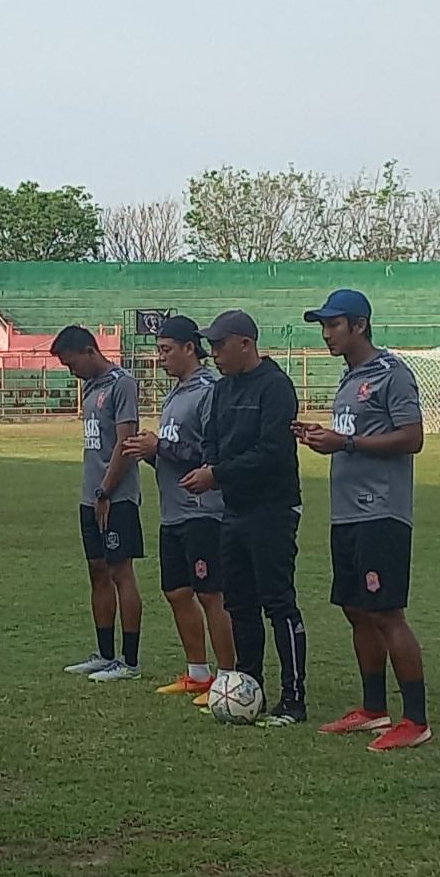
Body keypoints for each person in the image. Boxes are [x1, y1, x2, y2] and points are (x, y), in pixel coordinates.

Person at [296, 290, 431, 751]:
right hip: (347, 512)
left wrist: (346, 445)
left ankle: (416, 719)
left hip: (382, 511)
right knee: (356, 610)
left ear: (359, 325)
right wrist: (322, 436)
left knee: (387, 612)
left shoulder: (392, 373)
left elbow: (412, 438)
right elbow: (351, 436)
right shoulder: (349, 378)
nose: (326, 334)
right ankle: (374, 709)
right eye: (323, 326)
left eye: (333, 325)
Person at [188, 310, 306, 725]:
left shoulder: (276, 386)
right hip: (233, 511)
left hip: (272, 509)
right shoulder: (221, 391)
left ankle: (294, 699)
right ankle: (248, 687)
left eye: (219, 345)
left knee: (277, 601)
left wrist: (216, 474)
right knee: (239, 604)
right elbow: (212, 439)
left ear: (245, 343)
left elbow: (273, 452)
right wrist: (210, 465)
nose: (213, 353)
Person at [122, 314, 234, 702]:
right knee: (176, 591)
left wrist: (160, 448)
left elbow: (209, 454)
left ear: (190, 348)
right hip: (173, 510)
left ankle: (228, 677)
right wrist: (151, 453)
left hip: (203, 510)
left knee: (211, 595)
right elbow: (173, 454)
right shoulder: (177, 392)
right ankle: (198, 672)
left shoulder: (209, 391)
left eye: (167, 351)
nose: (162, 359)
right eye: (158, 351)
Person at [50, 325, 145, 681]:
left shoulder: (122, 384)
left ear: (90, 351)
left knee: (122, 572)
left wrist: (106, 490)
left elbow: (125, 443)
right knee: (97, 571)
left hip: (116, 496)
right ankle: (105, 654)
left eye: (72, 363)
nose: (70, 371)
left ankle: (130, 661)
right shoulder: (90, 387)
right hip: (91, 496)